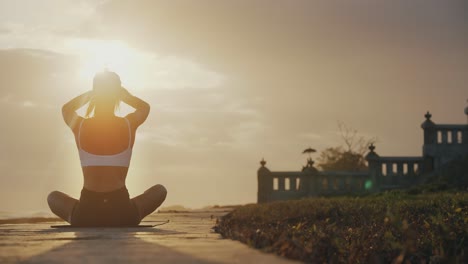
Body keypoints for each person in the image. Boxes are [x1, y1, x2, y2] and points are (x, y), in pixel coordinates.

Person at [47, 70, 167, 226]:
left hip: (86, 214)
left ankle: (78, 217)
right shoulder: (128, 124)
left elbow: (66, 109)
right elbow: (145, 108)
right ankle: (126, 214)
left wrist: (92, 93)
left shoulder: (80, 125)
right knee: (160, 190)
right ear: (117, 94)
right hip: (123, 213)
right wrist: (124, 96)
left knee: (52, 197)